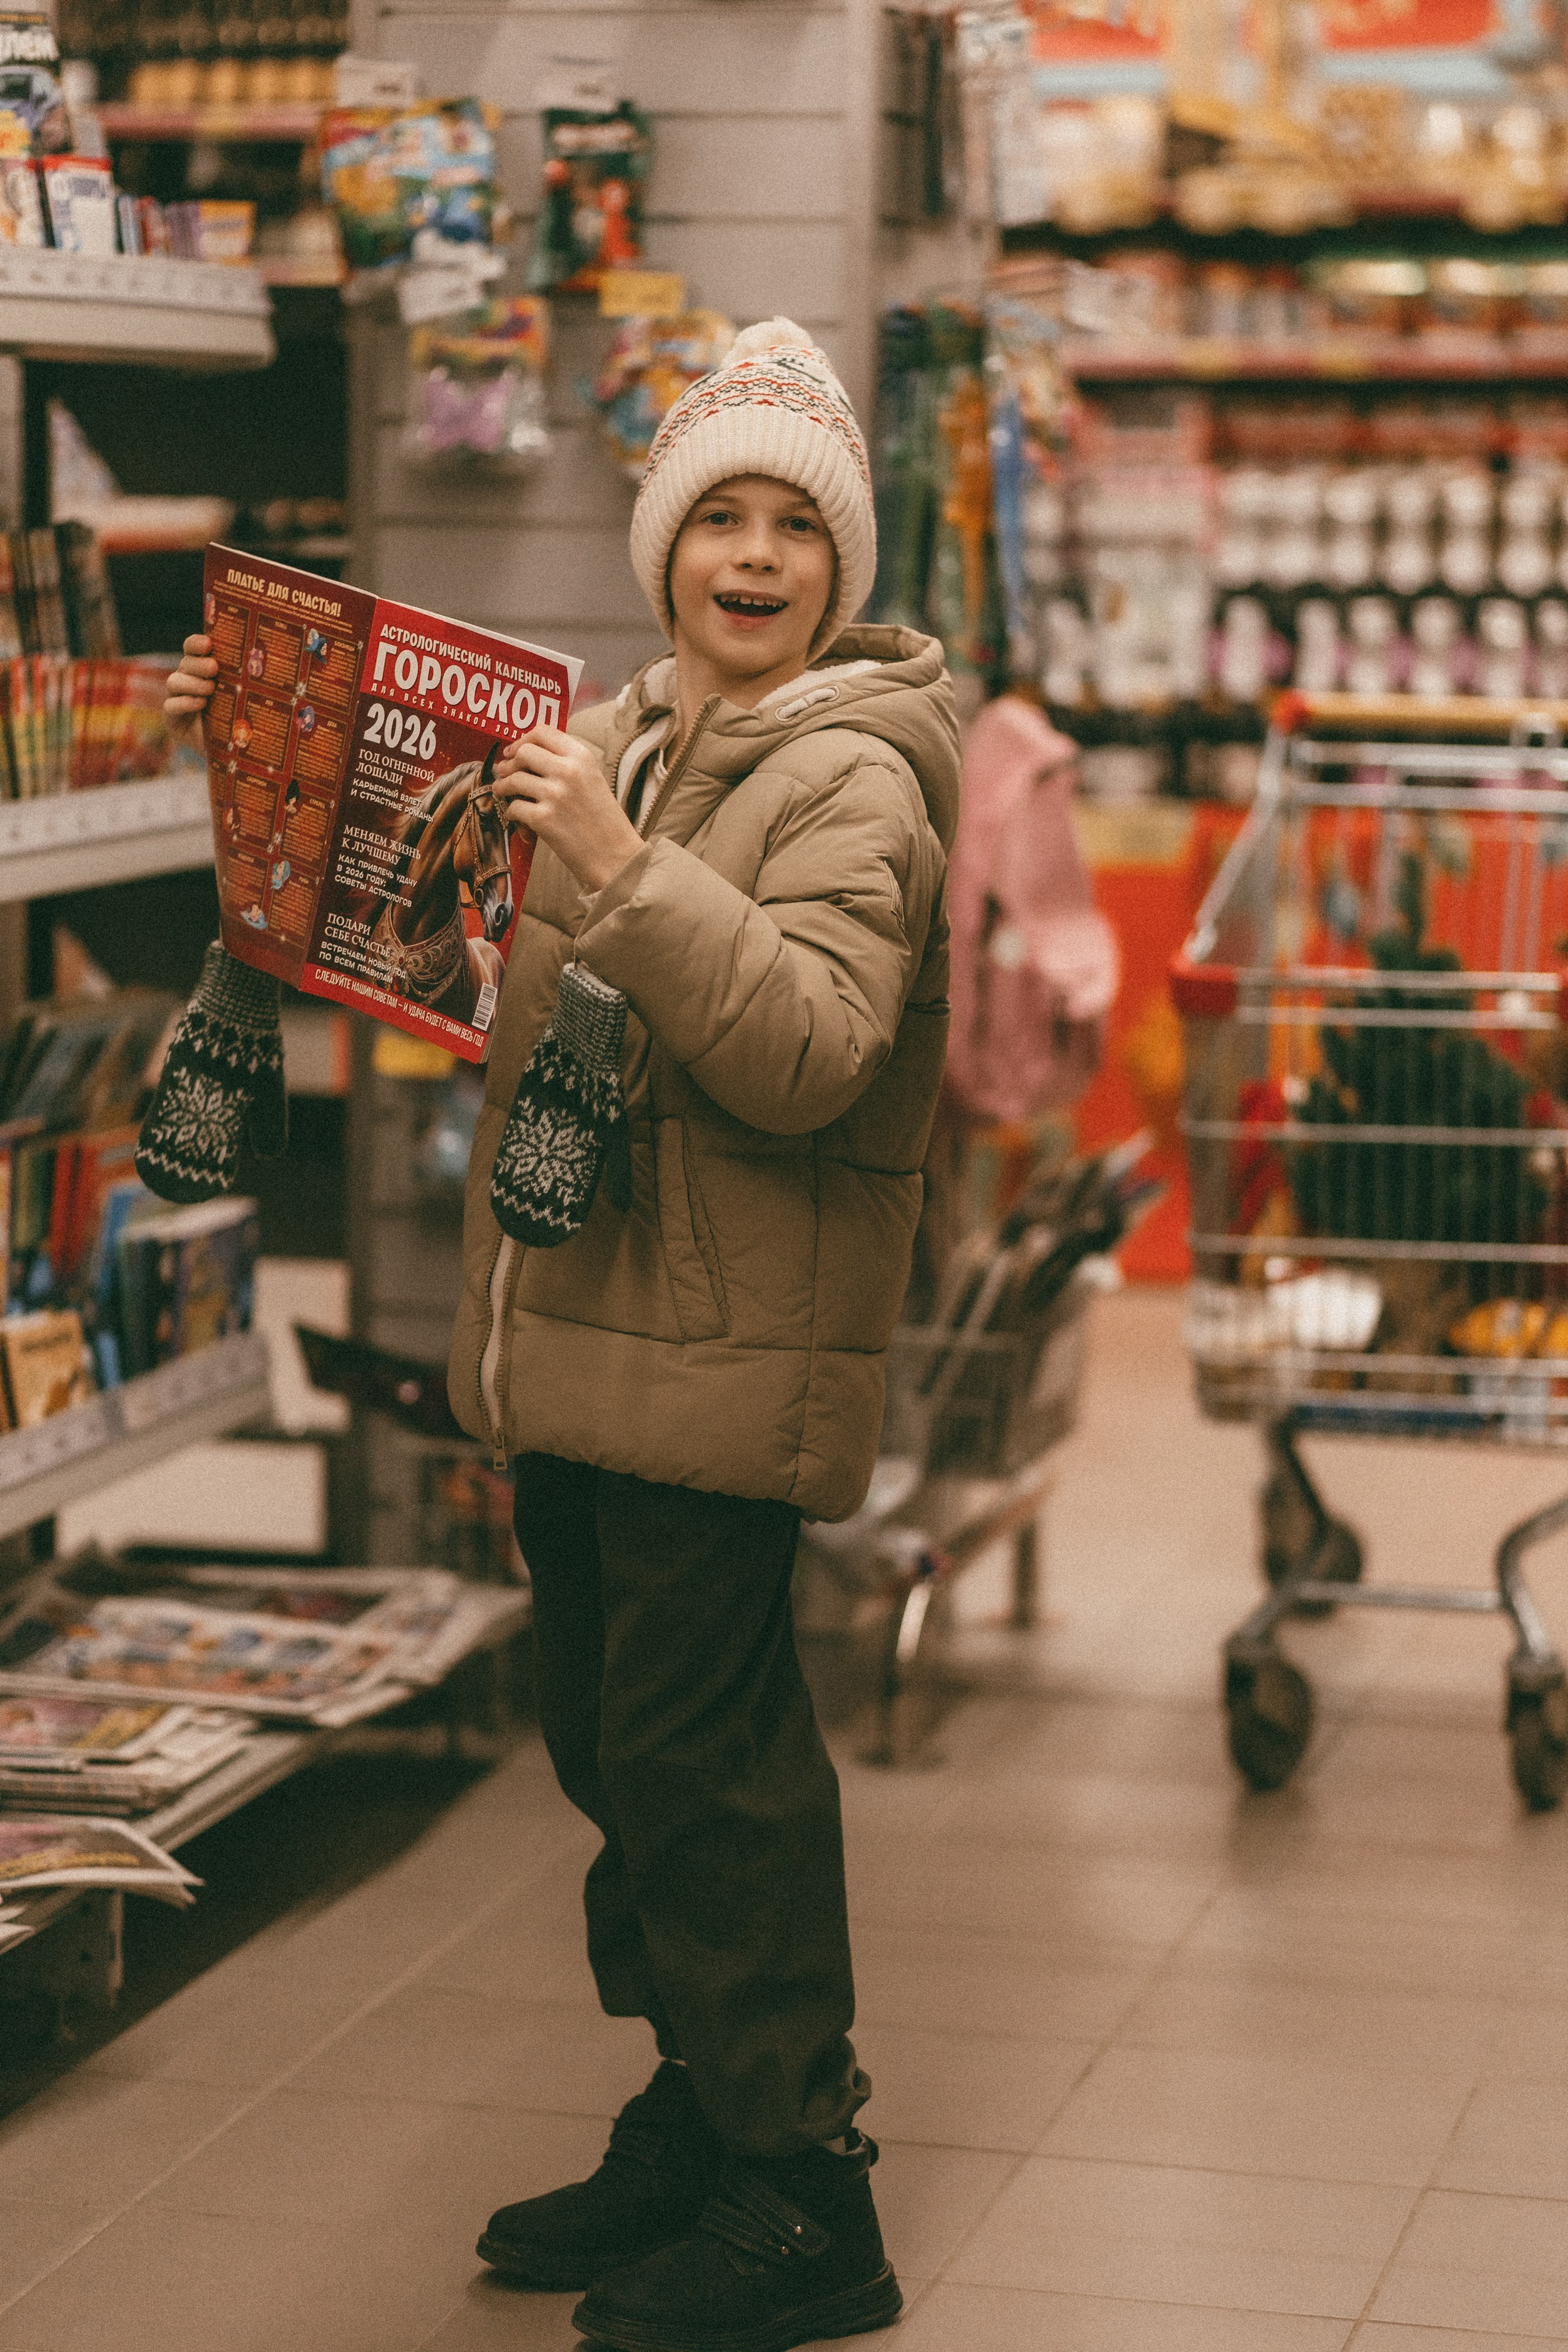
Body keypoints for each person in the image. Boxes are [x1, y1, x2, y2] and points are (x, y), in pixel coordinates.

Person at [163, 318, 958, 2352]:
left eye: (798, 526)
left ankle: (804, 2189)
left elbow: (806, 1047)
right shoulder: (627, 737)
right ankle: (700, 2106)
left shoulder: (856, 775)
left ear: (842, 569)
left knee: (709, 1762)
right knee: (613, 1739)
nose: (756, 557)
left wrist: (613, 870)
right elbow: (423, 936)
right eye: (722, 518)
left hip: (724, 1349)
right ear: (666, 546)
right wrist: (263, 738)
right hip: (589, 1333)